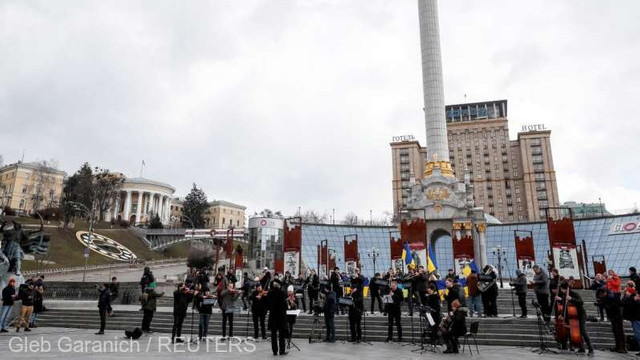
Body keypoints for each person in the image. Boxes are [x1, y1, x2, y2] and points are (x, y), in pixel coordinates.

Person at [555, 281, 594, 356]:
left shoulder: (574, 294)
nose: (561, 290)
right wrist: (562, 314)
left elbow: (581, 302)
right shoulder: (564, 296)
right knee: (576, 332)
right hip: (573, 316)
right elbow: (565, 306)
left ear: (565, 289)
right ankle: (581, 348)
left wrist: (571, 299)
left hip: (581, 314)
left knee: (583, 331)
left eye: (562, 289)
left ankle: (591, 349)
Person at [596, 287, 626, 353]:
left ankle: (623, 348)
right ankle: (618, 347)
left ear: (604, 293)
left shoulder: (611, 297)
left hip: (617, 316)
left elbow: (616, 306)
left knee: (620, 332)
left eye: (601, 295)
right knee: (615, 332)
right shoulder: (606, 298)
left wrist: (606, 305)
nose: (600, 296)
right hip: (613, 317)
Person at [267, 280, 288, 355]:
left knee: (273, 335)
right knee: (281, 335)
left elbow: (268, 305)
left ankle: (274, 351)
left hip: (273, 316)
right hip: (281, 316)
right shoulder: (282, 293)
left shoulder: (269, 293)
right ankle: (282, 351)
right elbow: (285, 305)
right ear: (279, 286)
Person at [621, 285, 640, 357]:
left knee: (638, 334)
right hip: (635, 318)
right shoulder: (632, 299)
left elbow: (626, 304)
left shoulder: (633, 299)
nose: (626, 293)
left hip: (636, 319)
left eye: (627, 291)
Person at [348, 268, 364, 343]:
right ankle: (353, 337)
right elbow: (351, 280)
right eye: (355, 271)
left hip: (358, 310)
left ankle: (359, 337)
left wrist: (357, 276)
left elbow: (362, 280)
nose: (355, 272)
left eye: (357, 271)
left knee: (358, 325)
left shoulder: (360, 290)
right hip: (351, 310)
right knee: (351, 325)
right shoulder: (351, 292)